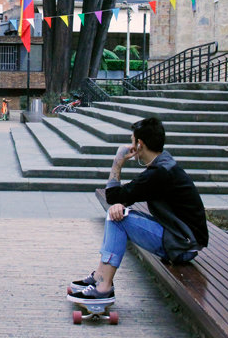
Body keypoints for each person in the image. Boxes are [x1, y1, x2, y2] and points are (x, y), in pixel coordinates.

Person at [68, 117, 208, 305]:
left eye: (132, 141)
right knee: (118, 213)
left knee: (118, 218)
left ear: (139, 144)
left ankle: (103, 288)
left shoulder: (159, 174)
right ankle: (100, 277)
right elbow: (120, 197)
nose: (130, 145)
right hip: (183, 239)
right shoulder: (163, 165)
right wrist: (120, 204)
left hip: (182, 244)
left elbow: (113, 196)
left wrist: (118, 160)